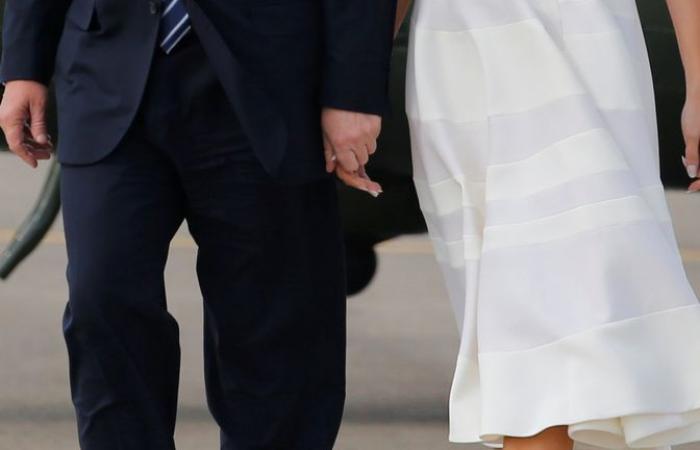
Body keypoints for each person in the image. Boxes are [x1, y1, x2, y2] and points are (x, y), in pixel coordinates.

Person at [0, 0, 396, 449]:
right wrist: (23, 66)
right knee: (102, 299)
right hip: (104, 63)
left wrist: (351, 90)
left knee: (273, 326)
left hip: (271, 75)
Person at [396, 0, 700, 449]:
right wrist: (351, 82)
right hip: (461, 52)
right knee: (515, 312)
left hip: (583, 44)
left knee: (562, 301)